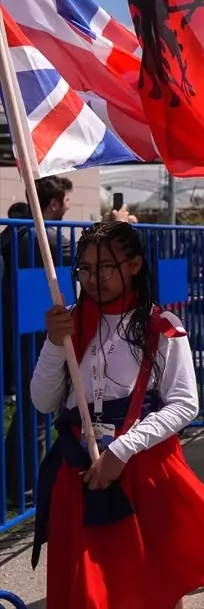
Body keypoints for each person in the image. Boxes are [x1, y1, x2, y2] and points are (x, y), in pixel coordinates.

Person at [30, 221, 204, 607]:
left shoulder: (161, 325)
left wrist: (122, 450)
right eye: (85, 269)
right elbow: (42, 400)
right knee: (87, 592)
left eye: (106, 267)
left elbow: (184, 403)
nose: (94, 278)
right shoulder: (68, 322)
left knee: (153, 588)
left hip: (144, 470)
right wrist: (55, 343)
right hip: (80, 473)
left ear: (135, 265)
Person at [3, 178, 73, 502]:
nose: (68, 205)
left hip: (22, 329)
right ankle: (28, 487)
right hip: (35, 333)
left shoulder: (13, 233)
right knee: (38, 410)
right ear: (54, 203)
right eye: (67, 200)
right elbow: (81, 256)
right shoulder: (43, 238)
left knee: (33, 410)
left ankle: (19, 481)